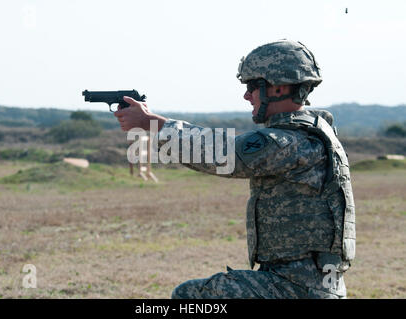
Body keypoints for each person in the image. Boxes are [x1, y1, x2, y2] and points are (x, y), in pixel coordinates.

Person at [114, 39, 355, 299]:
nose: (247, 95)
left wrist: (153, 124)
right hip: (307, 283)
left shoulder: (292, 141)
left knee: (192, 296)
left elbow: (225, 155)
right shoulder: (313, 131)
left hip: (296, 288)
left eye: (253, 86)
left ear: (279, 88)